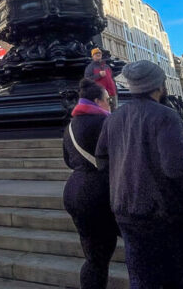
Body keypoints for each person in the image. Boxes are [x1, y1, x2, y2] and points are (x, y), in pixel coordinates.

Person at [95, 60, 183, 289]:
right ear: (159, 86)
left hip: (127, 210)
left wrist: (124, 177)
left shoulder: (113, 119)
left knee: (142, 278)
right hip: (164, 213)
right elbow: (177, 168)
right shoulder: (165, 116)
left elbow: (101, 159)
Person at [62, 78, 117, 289]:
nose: (110, 103)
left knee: (94, 258)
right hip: (100, 193)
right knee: (104, 253)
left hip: (75, 192)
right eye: (107, 100)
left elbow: (68, 159)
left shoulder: (70, 126)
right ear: (96, 100)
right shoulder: (106, 122)